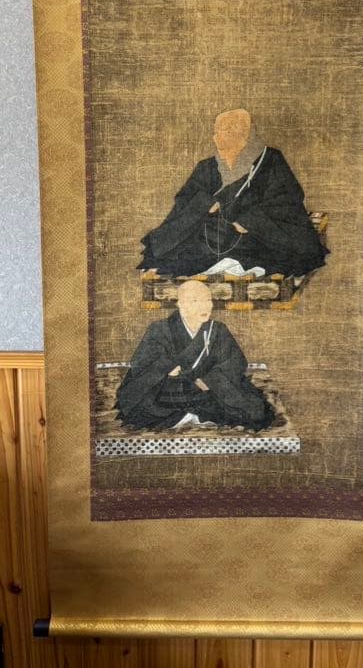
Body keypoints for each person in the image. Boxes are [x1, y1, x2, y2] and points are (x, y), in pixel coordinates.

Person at [138, 109, 328, 279]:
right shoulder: (207, 167)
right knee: (179, 252)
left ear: (244, 135)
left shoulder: (270, 161)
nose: (217, 138)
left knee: (272, 254)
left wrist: (250, 221)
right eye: (216, 132)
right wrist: (204, 204)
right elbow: (184, 202)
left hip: (253, 237)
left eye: (226, 132)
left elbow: (286, 200)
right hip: (210, 236)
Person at [115, 281, 276, 432]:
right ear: (181, 304)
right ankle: (190, 415)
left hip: (205, 386)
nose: (205, 306)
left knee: (252, 407)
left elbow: (235, 361)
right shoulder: (159, 328)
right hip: (171, 388)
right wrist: (166, 368)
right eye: (195, 301)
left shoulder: (218, 329)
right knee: (143, 404)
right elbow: (143, 361)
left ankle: (194, 415)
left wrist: (211, 381)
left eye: (208, 300)